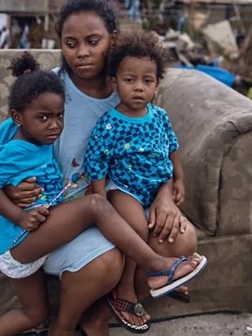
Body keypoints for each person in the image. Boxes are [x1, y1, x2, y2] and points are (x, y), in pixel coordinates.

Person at [0, 0, 197, 335]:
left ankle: (101, 310)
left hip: (120, 200)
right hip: (58, 213)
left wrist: (165, 194)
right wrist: (10, 188)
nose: (82, 52)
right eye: (71, 43)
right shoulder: (47, 90)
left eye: (93, 41)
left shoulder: (132, 87)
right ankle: (67, 324)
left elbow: (158, 150)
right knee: (106, 261)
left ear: (113, 41)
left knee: (182, 241)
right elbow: (7, 145)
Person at [83, 31, 189, 329]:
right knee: (139, 228)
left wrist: (179, 180)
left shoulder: (159, 117)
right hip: (124, 188)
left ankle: (171, 273)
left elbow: (172, 150)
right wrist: (101, 197)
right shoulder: (110, 123)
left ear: (157, 82)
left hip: (156, 188)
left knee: (174, 231)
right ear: (115, 82)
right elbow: (96, 163)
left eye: (147, 80)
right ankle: (126, 287)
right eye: (130, 80)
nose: (139, 88)